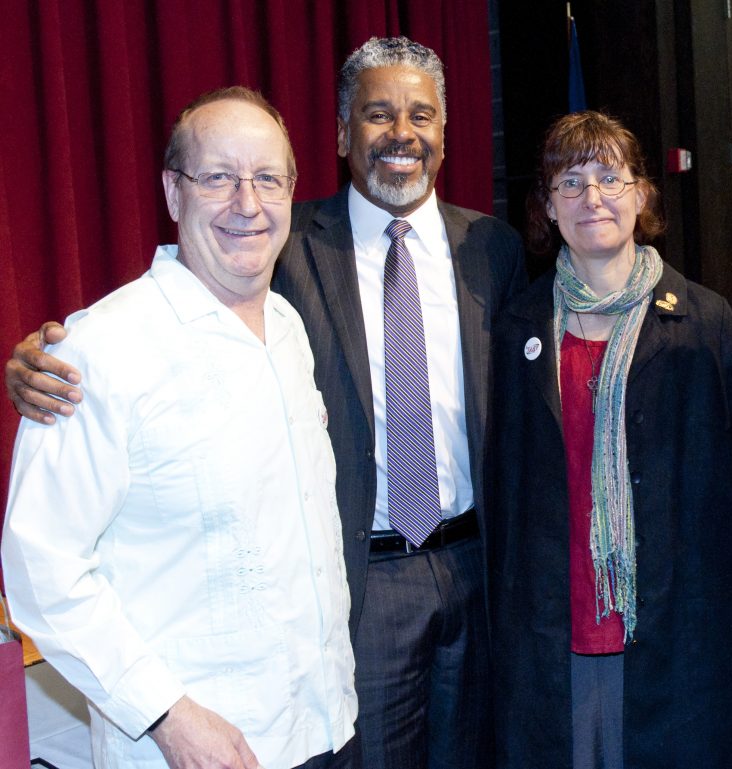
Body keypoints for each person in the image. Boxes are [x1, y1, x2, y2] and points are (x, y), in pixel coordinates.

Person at [5, 37, 526, 769]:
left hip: (462, 576)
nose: (401, 133)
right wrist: (41, 360)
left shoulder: (491, 251)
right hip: (363, 588)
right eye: (378, 114)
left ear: (445, 131)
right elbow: (43, 557)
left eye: (421, 114)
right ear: (343, 134)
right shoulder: (284, 253)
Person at [1, 87, 358, 769]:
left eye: (267, 179)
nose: (247, 204)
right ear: (173, 192)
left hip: (323, 726)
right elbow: (40, 568)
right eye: (218, 177)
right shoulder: (97, 352)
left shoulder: (288, 330)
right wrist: (167, 714)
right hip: (189, 749)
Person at [485, 110, 732, 769]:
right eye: (571, 181)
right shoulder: (515, 324)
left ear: (643, 195)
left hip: (676, 640)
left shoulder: (702, 318)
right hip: (556, 639)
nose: (593, 197)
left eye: (611, 177)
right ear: (548, 207)